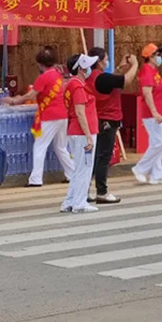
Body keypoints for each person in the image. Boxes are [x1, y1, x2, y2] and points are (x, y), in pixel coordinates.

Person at [2, 46, 73, 188]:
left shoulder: (44, 77)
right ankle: (73, 173)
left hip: (49, 115)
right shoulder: (58, 74)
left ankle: (36, 179)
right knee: (61, 147)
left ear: (40, 64)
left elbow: (30, 95)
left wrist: (14, 101)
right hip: (62, 114)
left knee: (40, 146)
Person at [85, 47, 139, 204]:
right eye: (106, 59)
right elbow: (125, 80)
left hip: (98, 119)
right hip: (107, 119)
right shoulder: (101, 78)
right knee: (103, 157)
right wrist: (135, 64)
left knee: (96, 157)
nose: (107, 62)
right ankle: (102, 191)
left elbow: (112, 81)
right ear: (99, 62)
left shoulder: (93, 77)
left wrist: (119, 68)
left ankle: (85, 189)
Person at [61, 53, 100, 214]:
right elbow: (80, 112)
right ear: (81, 69)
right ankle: (79, 203)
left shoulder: (73, 84)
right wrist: (89, 136)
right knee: (85, 167)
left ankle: (70, 201)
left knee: (79, 168)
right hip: (82, 133)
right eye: (87, 66)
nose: (90, 69)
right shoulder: (77, 86)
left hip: (77, 132)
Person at [132, 44, 162, 185]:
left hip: (159, 112)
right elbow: (147, 93)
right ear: (150, 57)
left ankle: (157, 175)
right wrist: (154, 112)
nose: (160, 58)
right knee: (159, 142)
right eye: (157, 55)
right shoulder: (146, 71)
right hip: (151, 114)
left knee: (156, 142)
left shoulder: (154, 72)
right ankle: (140, 169)